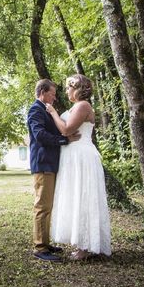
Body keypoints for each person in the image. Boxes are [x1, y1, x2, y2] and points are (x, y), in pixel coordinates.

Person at [46, 74, 112, 260]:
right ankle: (82, 243)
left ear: (77, 88)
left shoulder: (83, 106)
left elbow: (67, 130)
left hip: (82, 157)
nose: (66, 91)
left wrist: (53, 113)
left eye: (68, 87)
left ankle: (85, 247)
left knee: (83, 197)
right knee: (75, 196)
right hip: (73, 157)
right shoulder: (76, 106)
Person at [27, 78, 81, 262]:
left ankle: (45, 242)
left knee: (48, 205)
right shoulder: (35, 109)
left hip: (52, 163)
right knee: (42, 206)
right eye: (52, 93)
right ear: (43, 92)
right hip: (43, 164)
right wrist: (64, 140)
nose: (55, 97)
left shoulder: (46, 110)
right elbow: (40, 136)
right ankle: (40, 247)